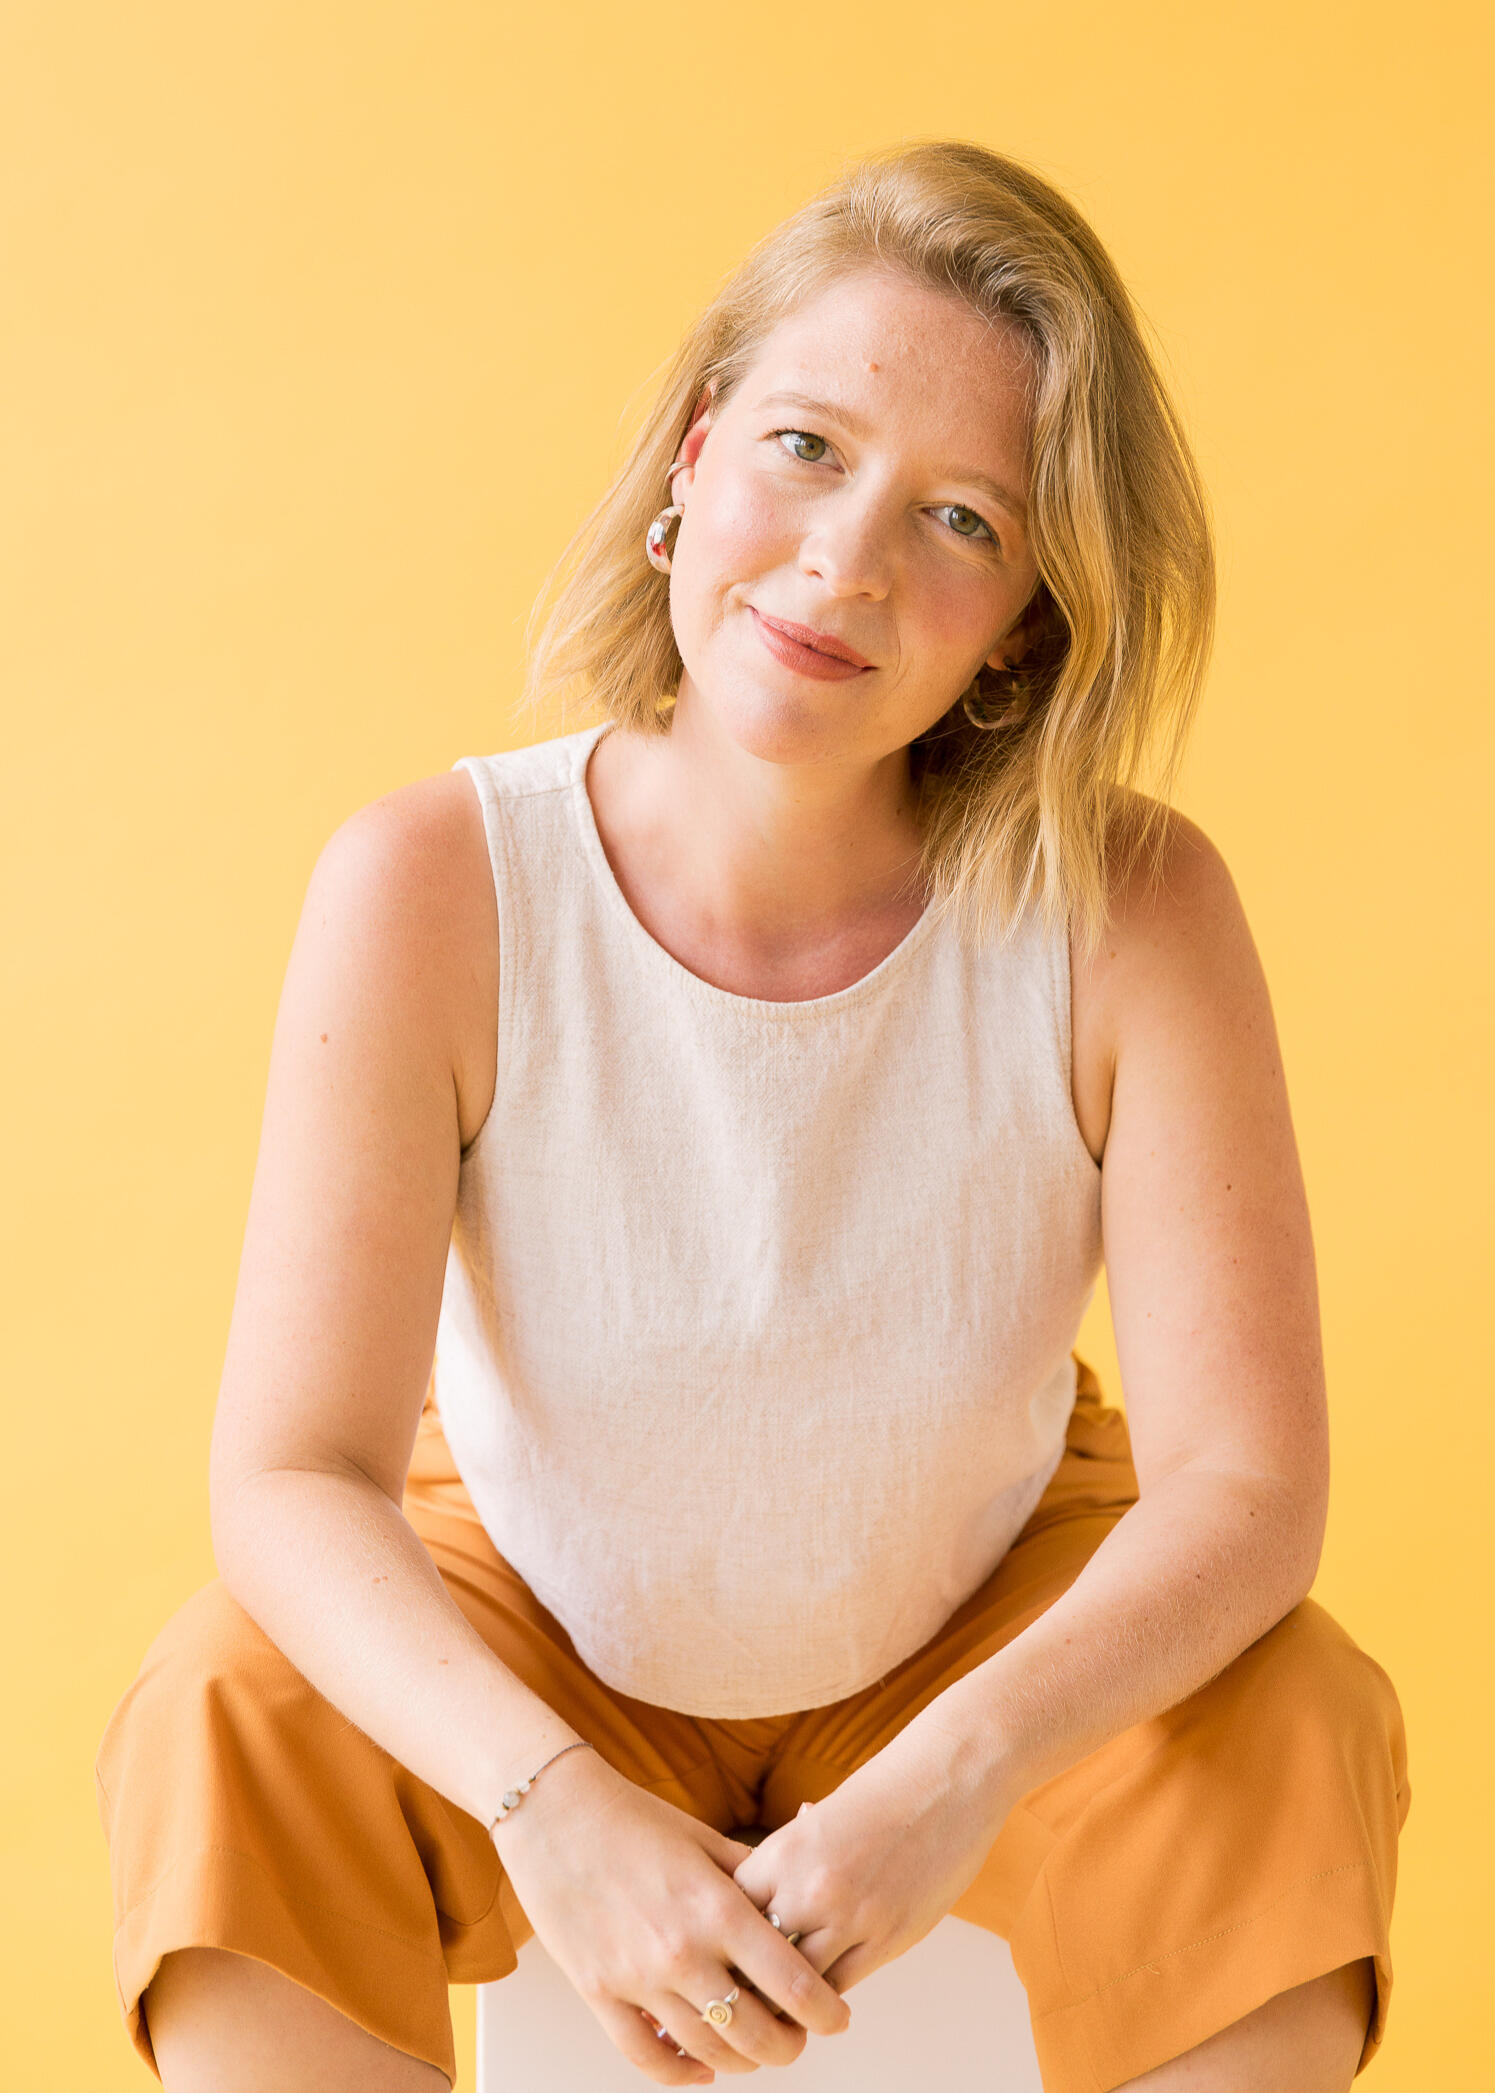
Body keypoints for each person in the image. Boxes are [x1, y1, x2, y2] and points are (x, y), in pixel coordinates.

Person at [96, 139, 1409, 2093]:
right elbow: (290, 1473)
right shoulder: (430, 883)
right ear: (691, 459)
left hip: (982, 1608)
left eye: (959, 518)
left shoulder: (1134, 907)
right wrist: (544, 1800)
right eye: (804, 448)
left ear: (1022, 624)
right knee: (221, 1704)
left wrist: (957, 1770)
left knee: (1297, 1711)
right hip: (534, 1603)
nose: (844, 562)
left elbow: (1245, 1490)